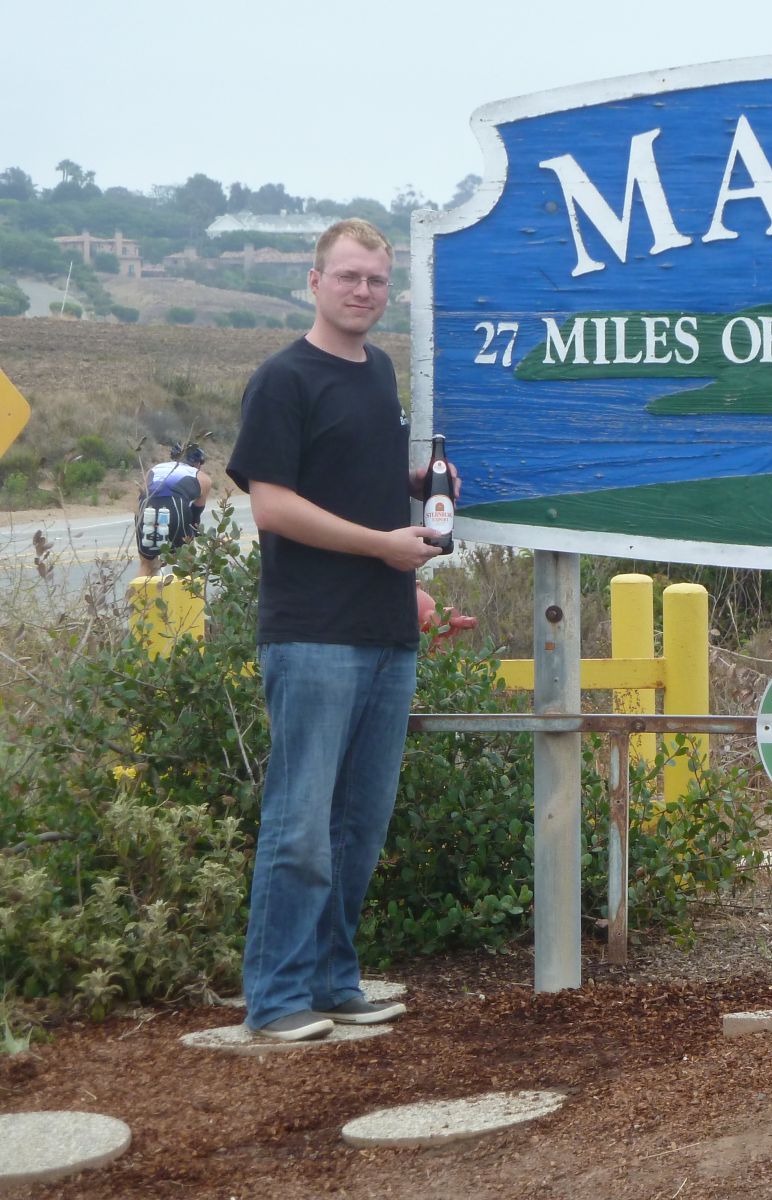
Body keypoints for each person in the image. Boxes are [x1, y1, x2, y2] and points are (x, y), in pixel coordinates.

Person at [226, 218, 458, 1043]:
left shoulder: (381, 372)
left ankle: (332, 980)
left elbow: (350, 477)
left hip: (387, 630)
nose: (364, 291)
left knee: (358, 826)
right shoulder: (282, 379)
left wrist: (417, 485)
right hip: (312, 633)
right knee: (300, 825)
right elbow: (272, 505)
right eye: (350, 276)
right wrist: (381, 546)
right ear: (314, 280)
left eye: (376, 280)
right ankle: (276, 999)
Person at [134, 442, 212, 577]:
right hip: (176, 504)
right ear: (198, 463)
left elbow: (141, 495)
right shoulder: (203, 478)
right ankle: (188, 587)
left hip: (146, 506)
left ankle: (142, 590)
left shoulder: (154, 469)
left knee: (147, 564)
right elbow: (195, 518)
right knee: (187, 562)